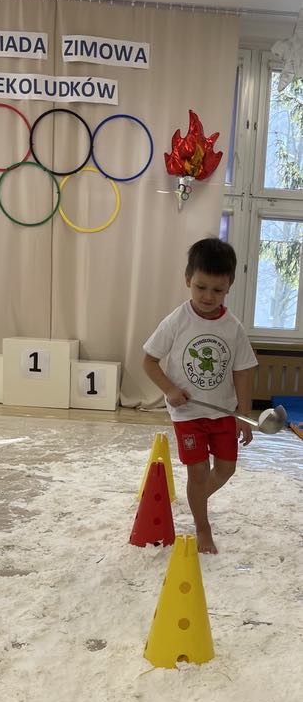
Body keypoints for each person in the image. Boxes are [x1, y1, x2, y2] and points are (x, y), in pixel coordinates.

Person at [142, 237, 258, 554]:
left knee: (226, 469)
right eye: (200, 287)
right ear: (187, 280)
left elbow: (243, 372)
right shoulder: (176, 321)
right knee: (197, 471)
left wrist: (244, 416)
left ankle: (196, 499)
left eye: (217, 290)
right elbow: (149, 361)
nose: (208, 296)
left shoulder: (233, 328)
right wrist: (169, 389)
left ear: (229, 286)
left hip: (223, 413)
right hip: (188, 414)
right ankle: (202, 526)